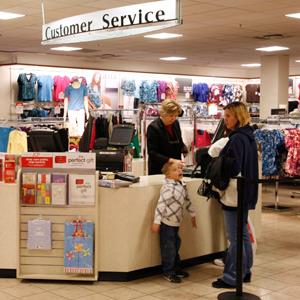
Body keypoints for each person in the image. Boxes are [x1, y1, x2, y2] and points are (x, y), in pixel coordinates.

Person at [211, 101, 258, 289]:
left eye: (228, 116)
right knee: (243, 235)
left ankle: (232, 277)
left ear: (237, 116)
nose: (226, 120)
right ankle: (244, 271)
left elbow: (233, 166)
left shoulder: (237, 138)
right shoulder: (249, 136)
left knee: (235, 237)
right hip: (246, 192)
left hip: (234, 194)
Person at [151, 160, 197, 283]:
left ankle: (176, 268)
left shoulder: (182, 185)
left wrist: (193, 215)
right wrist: (157, 222)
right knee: (169, 248)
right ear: (167, 175)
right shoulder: (168, 188)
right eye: (175, 170)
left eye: (180, 168)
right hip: (167, 223)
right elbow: (161, 205)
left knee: (176, 245)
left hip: (176, 222)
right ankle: (168, 271)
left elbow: (187, 200)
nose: (179, 171)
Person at [147, 99, 187, 175]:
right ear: (163, 113)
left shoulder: (175, 123)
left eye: (176, 116)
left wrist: (183, 148)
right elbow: (152, 152)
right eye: (171, 115)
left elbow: (179, 140)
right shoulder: (153, 127)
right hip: (159, 169)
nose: (174, 118)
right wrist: (170, 160)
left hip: (175, 169)